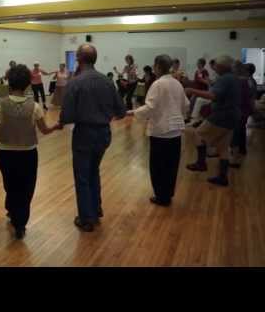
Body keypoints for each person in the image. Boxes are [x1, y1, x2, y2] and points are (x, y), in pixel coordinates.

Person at [0, 64, 60, 239]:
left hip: (5, 153)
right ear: (28, 84)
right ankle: (20, 222)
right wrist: (56, 127)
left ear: (9, 83)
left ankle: (12, 210)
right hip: (28, 154)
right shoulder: (35, 106)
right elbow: (44, 130)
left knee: (10, 184)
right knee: (26, 188)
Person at [59, 44, 126, 232]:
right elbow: (121, 111)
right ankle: (95, 208)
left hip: (84, 134)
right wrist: (103, 116)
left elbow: (66, 116)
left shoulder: (75, 82)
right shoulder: (107, 81)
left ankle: (87, 218)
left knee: (82, 176)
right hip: (104, 134)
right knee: (93, 171)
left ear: (79, 59)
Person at [127, 55, 190, 206]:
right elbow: (186, 104)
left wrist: (133, 112)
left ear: (157, 66)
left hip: (161, 131)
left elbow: (150, 107)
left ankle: (161, 196)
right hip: (175, 131)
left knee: (158, 165)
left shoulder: (158, 84)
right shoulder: (177, 83)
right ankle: (167, 194)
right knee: (171, 165)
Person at [185, 55, 241, 187]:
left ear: (222, 66)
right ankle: (222, 177)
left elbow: (212, 95)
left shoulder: (225, 78)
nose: (214, 67)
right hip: (233, 116)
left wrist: (192, 90)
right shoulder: (233, 78)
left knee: (197, 134)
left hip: (222, 115)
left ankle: (201, 163)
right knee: (223, 148)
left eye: (215, 64)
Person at [229, 63, 254, 167]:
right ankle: (241, 150)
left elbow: (240, 98)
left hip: (240, 110)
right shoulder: (250, 81)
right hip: (244, 110)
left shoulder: (242, 81)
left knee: (236, 133)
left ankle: (235, 160)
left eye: (234, 68)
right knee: (241, 131)